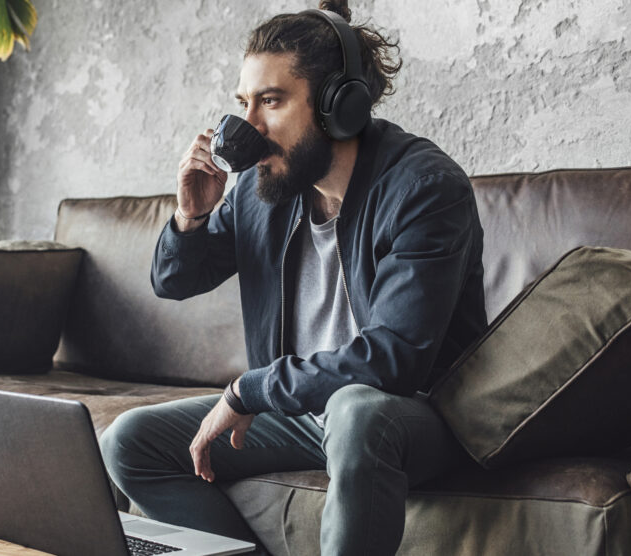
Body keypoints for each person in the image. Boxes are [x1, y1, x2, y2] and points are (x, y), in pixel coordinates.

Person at [100, 1, 487, 554]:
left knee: (356, 411)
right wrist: (191, 215)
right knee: (128, 442)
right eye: (243, 103)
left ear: (339, 106)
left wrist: (250, 388)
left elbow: (394, 360)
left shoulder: (424, 188)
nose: (247, 128)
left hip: (414, 417)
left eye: (271, 102)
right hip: (305, 413)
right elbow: (173, 281)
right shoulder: (266, 192)